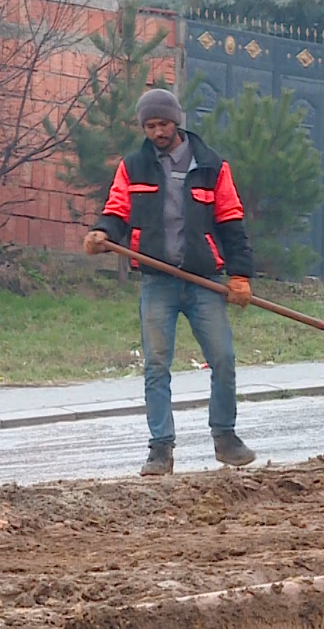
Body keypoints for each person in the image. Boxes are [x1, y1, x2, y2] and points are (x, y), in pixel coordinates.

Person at [83, 88, 256, 476]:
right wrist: (101, 233)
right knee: (156, 366)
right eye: (149, 126)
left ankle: (225, 438)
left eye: (162, 124)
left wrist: (240, 276)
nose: (157, 132)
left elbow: (232, 223)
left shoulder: (212, 166)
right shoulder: (133, 167)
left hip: (204, 281)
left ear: (176, 122)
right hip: (158, 281)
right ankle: (160, 449)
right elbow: (117, 210)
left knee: (224, 359)